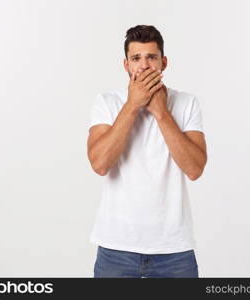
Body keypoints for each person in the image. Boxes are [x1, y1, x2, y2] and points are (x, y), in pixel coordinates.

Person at [87, 25, 207, 278]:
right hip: (116, 247)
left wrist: (161, 112)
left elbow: (195, 169)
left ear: (164, 63)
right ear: (126, 65)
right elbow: (99, 164)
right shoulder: (107, 102)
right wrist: (133, 105)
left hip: (174, 249)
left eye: (151, 57)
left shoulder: (186, 103)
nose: (144, 65)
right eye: (136, 58)